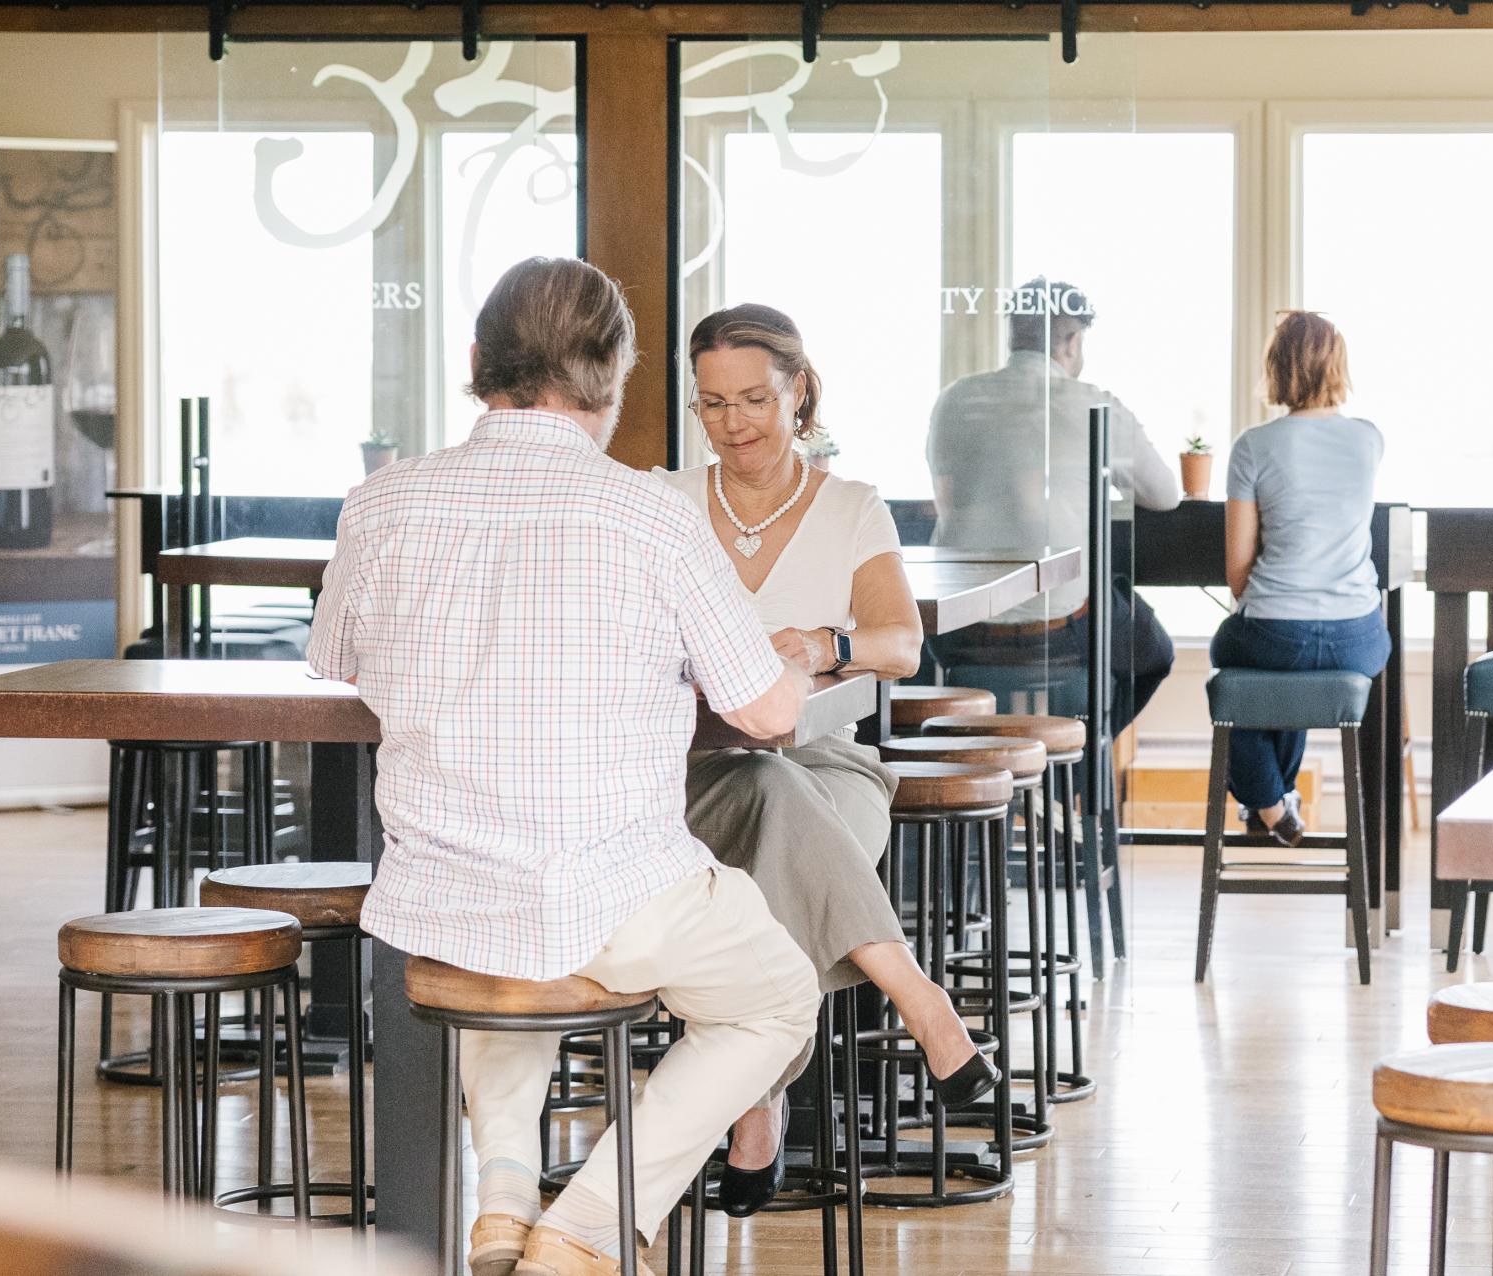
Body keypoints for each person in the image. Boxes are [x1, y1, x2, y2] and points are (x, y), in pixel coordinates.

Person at [309, 258, 821, 1276]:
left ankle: (505, 1197)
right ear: (615, 374)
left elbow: (340, 662)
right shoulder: (652, 514)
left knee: (513, 939)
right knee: (775, 998)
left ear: (476, 361)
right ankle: (588, 1222)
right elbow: (763, 712)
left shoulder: (380, 502)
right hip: (620, 892)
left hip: (441, 893)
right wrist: (800, 664)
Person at [655, 304, 1000, 1216]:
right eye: (713, 403)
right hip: (694, 779)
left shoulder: (850, 507)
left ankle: (757, 1099)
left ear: (798, 391)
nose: (734, 422)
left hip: (831, 771)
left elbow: (902, 644)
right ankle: (916, 995)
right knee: (762, 788)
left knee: (777, 808)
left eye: (755, 399)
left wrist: (824, 643)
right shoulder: (665, 502)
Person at [923, 277, 1180, 731]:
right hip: (1057, 629)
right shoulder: (1092, 404)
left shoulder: (956, 399)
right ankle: (1081, 755)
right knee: (1154, 652)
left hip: (959, 631)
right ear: (1073, 340)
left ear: (1011, 333)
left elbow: (947, 492)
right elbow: (1164, 494)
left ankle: (1006, 758)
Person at [1211, 311, 1389, 845]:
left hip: (1277, 631)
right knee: (1286, 672)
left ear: (1277, 368)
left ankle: (1268, 803)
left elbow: (1237, 572)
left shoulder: (1253, 446)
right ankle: (1279, 798)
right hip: (1359, 638)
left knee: (1233, 662)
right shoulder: (1368, 440)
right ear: (1338, 366)